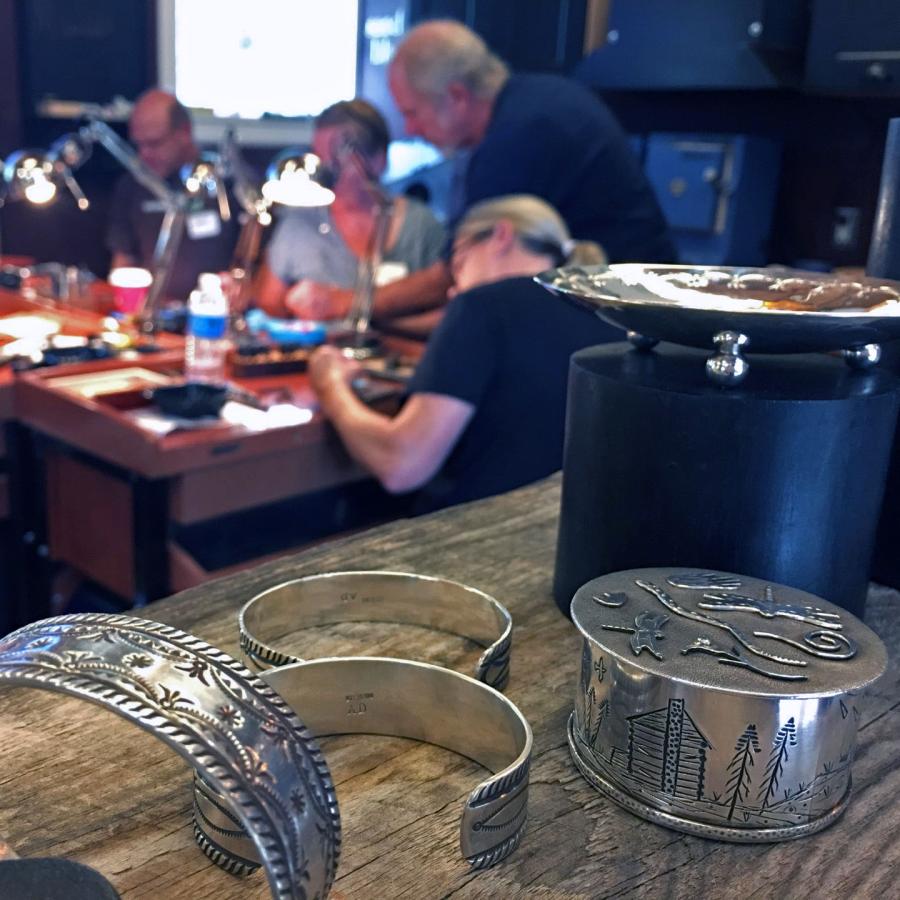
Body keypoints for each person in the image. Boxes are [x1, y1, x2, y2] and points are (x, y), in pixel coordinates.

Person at [292, 20, 675, 326]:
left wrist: (347, 303)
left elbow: (453, 275)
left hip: (631, 322)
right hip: (627, 312)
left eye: (412, 112)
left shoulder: (516, 137)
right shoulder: (533, 102)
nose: (410, 129)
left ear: (457, 97)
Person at [308, 194, 623, 514]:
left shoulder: (482, 306)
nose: (453, 289)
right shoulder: (607, 312)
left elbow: (401, 465)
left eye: (458, 263)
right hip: (566, 527)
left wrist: (330, 385)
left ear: (501, 235)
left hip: (476, 529)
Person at [254, 99, 446, 325]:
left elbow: (446, 310)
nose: (327, 176)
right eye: (320, 160)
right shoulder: (301, 222)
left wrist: (344, 305)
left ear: (379, 160)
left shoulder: (420, 227)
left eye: (338, 162)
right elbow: (269, 304)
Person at [106, 89, 240, 301]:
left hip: (214, 308)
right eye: (138, 144)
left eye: (154, 143)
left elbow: (255, 263)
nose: (144, 154)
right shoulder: (132, 185)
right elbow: (123, 259)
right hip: (153, 307)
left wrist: (240, 288)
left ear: (184, 132)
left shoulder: (227, 183)